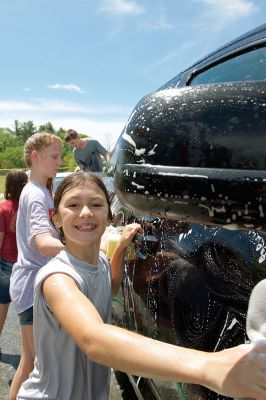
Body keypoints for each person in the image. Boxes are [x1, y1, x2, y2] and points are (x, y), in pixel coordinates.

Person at [17, 171, 266, 400]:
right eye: (73, 205)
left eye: (96, 204)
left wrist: (123, 247)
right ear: (56, 218)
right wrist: (210, 367)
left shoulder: (100, 263)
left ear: (109, 215)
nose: (85, 213)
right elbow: (92, 338)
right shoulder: (58, 278)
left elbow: (110, 287)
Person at [9, 132, 65, 400]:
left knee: (28, 362)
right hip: (32, 287)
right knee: (35, 366)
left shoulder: (40, 191)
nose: (60, 161)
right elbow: (43, 243)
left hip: (29, 285)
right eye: (54, 156)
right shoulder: (36, 195)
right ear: (35, 157)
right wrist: (86, 248)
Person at [0, 170, 28, 348]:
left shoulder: (3, 208)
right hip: (28, 263)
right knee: (27, 310)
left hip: (7, 262)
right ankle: (31, 350)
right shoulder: (30, 206)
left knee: (2, 304)